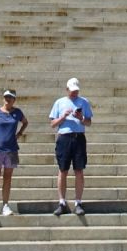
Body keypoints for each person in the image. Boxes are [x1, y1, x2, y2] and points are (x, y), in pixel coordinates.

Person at [48, 77, 93, 216]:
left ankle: (78, 202)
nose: (74, 93)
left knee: (79, 170)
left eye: (76, 91)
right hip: (64, 137)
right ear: (67, 89)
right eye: (72, 91)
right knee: (63, 170)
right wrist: (63, 117)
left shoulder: (84, 102)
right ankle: (62, 202)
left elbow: (89, 122)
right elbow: (52, 124)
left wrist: (80, 118)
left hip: (78, 137)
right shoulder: (59, 102)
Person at [0, 88, 27, 217]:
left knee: (8, 178)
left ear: (14, 99)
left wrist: (19, 133)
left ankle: (5, 205)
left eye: (10, 97)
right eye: (6, 97)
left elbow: (25, 122)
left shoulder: (17, 112)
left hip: (12, 150)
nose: (7, 99)